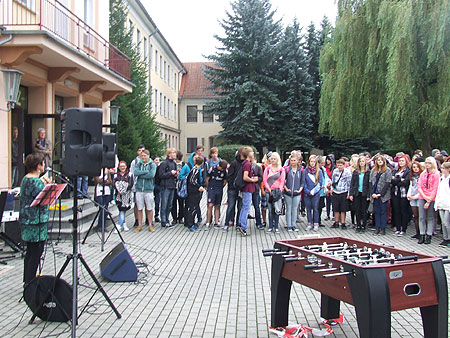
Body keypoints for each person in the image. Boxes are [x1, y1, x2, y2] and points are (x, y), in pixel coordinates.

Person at [19, 152, 51, 285]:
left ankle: (27, 280)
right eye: (43, 163)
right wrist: (48, 186)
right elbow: (44, 201)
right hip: (36, 221)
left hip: (26, 220)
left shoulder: (26, 179)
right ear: (39, 166)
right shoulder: (36, 182)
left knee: (30, 252)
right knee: (36, 253)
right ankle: (31, 282)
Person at [417, 157, 440, 244]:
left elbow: (435, 187)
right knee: (421, 217)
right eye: (426, 163)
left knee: (430, 217)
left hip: (431, 197)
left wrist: (429, 200)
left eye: (429, 163)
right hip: (422, 196)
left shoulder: (436, 174)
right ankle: (422, 234)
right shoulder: (423, 174)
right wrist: (424, 196)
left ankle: (429, 235)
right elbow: (419, 186)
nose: (427, 164)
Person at [369, 155, 392, 235]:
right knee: (376, 211)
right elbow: (371, 182)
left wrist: (380, 194)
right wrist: (372, 193)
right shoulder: (373, 170)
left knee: (383, 211)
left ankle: (383, 228)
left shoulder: (387, 170)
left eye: (381, 160)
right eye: (378, 160)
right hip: (374, 194)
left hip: (383, 195)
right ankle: (377, 227)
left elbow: (387, 183)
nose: (379, 161)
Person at [134, 149, 157, 232]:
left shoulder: (152, 164)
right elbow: (135, 172)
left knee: (149, 208)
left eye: (145, 156)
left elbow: (151, 175)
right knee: (139, 208)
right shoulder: (138, 163)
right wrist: (145, 172)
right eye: (142, 156)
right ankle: (139, 225)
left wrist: (141, 174)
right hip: (139, 189)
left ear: (148, 156)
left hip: (148, 189)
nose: (143, 157)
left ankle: (150, 225)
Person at [238, 146, 258, 236]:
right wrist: (253, 180)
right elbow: (245, 177)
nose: (253, 153)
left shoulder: (245, 163)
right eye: (251, 152)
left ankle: (240, 224)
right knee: (246, 207)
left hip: (246, 188)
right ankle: (243, 227)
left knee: (244, 207)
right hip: (247, 188)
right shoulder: (247, 164)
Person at [263, 152, 285, 233]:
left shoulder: (281, 169)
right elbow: (265, 180)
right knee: (270, 209)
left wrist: (279, 189)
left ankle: (276, 226)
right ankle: (270, 226)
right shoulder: (267, 169)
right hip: (269, 191)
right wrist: (268, 189)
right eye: (271, 159)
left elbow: (282, 181)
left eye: (274, 159)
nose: (272, 160)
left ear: (277, 160)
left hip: (278, 192)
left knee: (277, 209)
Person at [224, 147, 244, 231]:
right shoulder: (234, 163)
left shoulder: (245, 164)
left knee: (240, 207)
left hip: (241, 189)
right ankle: (227, 223)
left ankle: (238, 223)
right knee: (231, 206)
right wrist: (233, 185)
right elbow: (229, 176)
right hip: (232, 189)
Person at [349, 155, 370, 232]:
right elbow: (352, 183)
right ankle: (358, 225)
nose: (361, 163)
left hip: (364, 193)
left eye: (363, 161)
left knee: (364, 210)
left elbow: (369, 184)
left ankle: (363, 225)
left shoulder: (368, 172)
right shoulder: (355, 172)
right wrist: (351, 194)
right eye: (360, 161)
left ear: (365, 162)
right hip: (357, 193)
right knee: (357, 210)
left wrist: (369, 195)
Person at [283, 154, 304, 232]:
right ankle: (288, 225)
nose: (293, 162)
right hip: (287, 192)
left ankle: (293, 225)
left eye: (294, 160)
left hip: (297, 192)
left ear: (298, 161)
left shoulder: (301, 170)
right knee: (288, 208)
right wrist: (286, 188)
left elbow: (302, 182)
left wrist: (300, 190)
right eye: (291, 160)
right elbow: (283, 180)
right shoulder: (286, 170)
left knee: (295, 209)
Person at [205, 159, 228, 230]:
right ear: (219, 165)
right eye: (221, 168)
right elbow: (207, 179)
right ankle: (208, 222)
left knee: (217, 206)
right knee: (210, 205)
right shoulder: (212, 169)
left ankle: (216, 222)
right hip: (212, 189)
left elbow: (225, 181)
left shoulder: (224, 171)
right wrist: (208, 187)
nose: (222, 170)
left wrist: (221, 187)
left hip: (219, 190)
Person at [391, 155, 411, 236]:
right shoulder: (396, 170)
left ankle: (404, 229)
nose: (401, 162)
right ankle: (398, 228)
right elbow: (391, 181)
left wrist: (396, 180)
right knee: (396, 211)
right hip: (395, 193)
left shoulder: (408, 171)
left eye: (403, 161)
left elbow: (406, 182)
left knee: (403, 211)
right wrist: (399, 179)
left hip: (404, 194)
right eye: (400, 161)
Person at [158, 148, 178, 228]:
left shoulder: (174, 163)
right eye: (173, 153)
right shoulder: (164, 163)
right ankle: (163, 221)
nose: (175, 155)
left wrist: (175, 175)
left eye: (175, 153)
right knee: (164, 204)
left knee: (170, 205)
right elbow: (161, 175)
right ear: (169, 154)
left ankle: (167, 219)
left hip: (172, 186)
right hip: (165, 186)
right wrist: (170, 173)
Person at [304, 155, 324, 231]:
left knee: (315, 208)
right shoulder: (305, 171)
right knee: (308, 209)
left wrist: (314, 191)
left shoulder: (319, 171)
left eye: (314, 162)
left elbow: (320, 182)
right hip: (307, 193)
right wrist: (308, 191)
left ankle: (316, 223)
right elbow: (304, 182)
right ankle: (309, 223)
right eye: (311, 162)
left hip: (315, 194)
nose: (312, 163)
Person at [186, 155, 205, 231]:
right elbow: (192, 180)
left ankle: (192, 223)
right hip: (193, 192)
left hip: (193, 192)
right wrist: (198, 187)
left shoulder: (194, 169)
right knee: (192, 208)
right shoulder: (196, 170)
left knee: (194, 207)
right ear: (202, 163)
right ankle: (190, 224)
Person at [113, 161, 133, 232]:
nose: (122, 167)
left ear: (126, 166)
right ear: (118, 167)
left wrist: (124, 188)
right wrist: (119, 188)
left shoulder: (129, 174)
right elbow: (114, 184)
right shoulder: (116, 175)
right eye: (121, 166)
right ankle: (124, 224)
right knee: (121, 210)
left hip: (127, 196)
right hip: (118, 196)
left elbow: (130, 184)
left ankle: (118, 226)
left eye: (123, 166)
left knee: (122, 210)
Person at [407, 161, 424, 239]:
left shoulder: (422, 176)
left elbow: (422, 189)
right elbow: (411, 187)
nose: (415, 169)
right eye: (414, 167)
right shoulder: (412, 177)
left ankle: (422, 233)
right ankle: (417, 232)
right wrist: (409, 195)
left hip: (419, 197)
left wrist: (415, 197)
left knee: (421, 216)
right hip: (412, 197)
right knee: (415, 216)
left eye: (417, 167)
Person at [435, 162, 450, 246]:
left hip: (448, 204)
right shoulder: (441, 179)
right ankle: (445, 238)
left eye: (444, 168)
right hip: (441, 203)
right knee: (442, 222)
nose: (442, 170)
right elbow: (439, 191)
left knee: (446, 222)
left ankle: (449, 238)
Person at [130, 145, 145, 227]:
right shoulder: (134, 162)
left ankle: (147, 220)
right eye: (140, 150)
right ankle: (137, 219)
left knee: (147, 203)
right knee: (136, 203)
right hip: (136, 185)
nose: (141, 152)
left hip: (146, 186)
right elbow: (132, 173)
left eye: (143, 150)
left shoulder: (148, 161)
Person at [171, 151, 185, 225]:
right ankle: (174, 218)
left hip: (181, 186)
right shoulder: (172, 163)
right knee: (173, 203)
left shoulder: (183, 164)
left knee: (181, 203)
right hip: (173, 186)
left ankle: (180, 218)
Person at [251, 156, 264, 230]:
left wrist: (257, 179)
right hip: (248, 189)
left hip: (255, 189)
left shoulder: (258, 167)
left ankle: (258, 222)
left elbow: (261, 177)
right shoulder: (246, 166)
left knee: (256, 206)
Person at [153, 156, 161, 223]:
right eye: (156, 160)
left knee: (157, 202)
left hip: (158, 186)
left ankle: (156, 215)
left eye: (158, 160)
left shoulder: (160, 168)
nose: (158, 161)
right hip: (152, 186)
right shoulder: (151, 168)